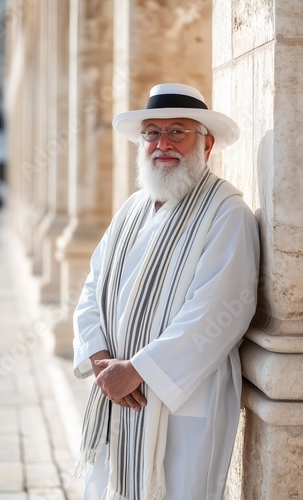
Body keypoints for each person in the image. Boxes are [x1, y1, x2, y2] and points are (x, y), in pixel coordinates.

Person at [72, 83, 260, 499]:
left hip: (181, 399)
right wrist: (103, 362)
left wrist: (135, 371)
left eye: (178, 131)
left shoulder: (227, 214)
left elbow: (217, 312)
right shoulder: (132, 209)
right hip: (116, 392)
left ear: (206, 143)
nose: (163, 144)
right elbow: (92, 286)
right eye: (152, 132)